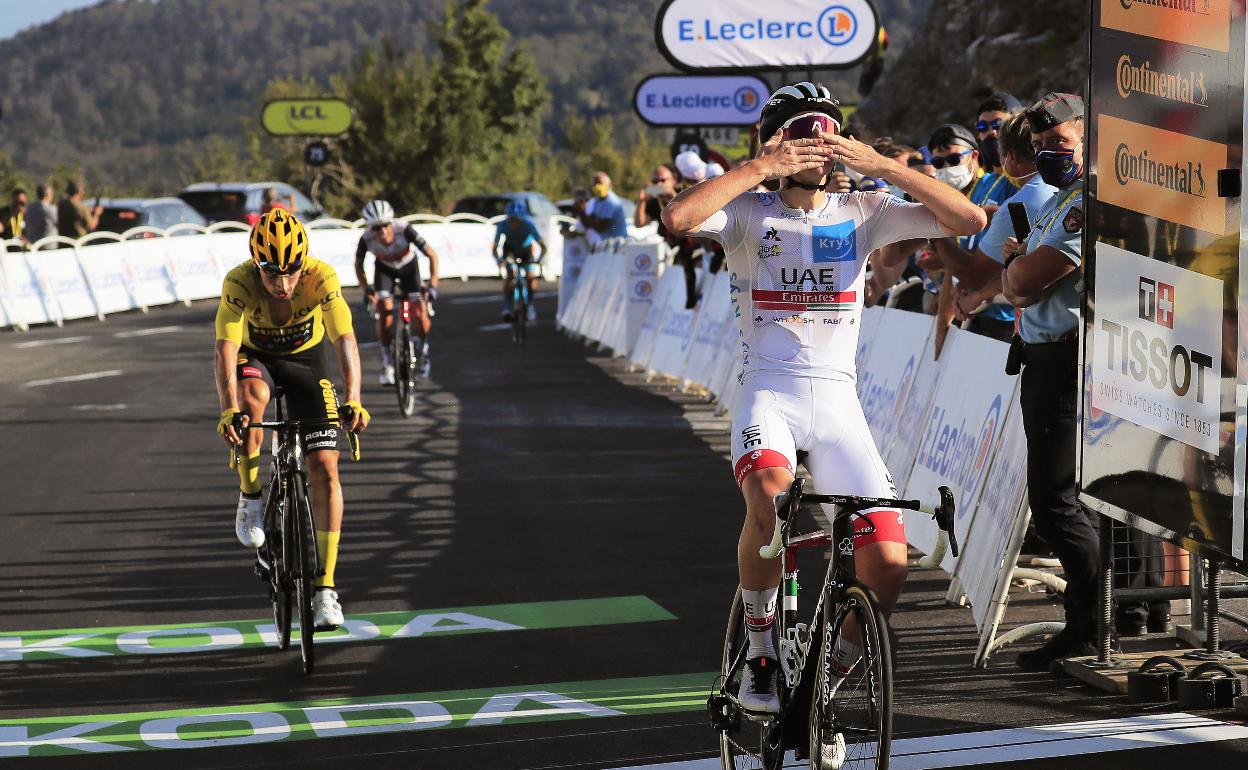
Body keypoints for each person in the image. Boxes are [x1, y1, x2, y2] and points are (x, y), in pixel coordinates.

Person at [662, 81, 985, 720]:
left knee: (889, 561)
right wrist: (761, 165)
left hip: (839, 406)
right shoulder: (747, 211)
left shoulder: (865, 209)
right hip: (768, 395)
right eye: (802, 134)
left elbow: (969, 221)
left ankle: (831, 671)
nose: (817, 145)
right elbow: (677, 220)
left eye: (827, 132)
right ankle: (760, 653)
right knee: (770, 500)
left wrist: (882, 164)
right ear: (777, 141)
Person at [214, 209, 370, 630]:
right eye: (271, 274)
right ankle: (250, 496)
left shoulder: (321, 277)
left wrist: (354, 398)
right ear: (256, 265)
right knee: (252, 398)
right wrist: (228, 408)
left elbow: (345, 338)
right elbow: (226, 348)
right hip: (256, 358)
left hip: (306, 361)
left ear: (304, 262)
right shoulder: (239, 281)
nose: (282, 284)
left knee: (326, 469)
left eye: (291, 272)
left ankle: (325, 590)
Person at [1000, 92, 1099, 671]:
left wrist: (1015, 269)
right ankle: (1096, 618)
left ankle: (1089, 625)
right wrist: (1017, 270)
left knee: (1055, 502)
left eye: (1059, 143)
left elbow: (1022, 282)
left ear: (1088, 141)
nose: (1046, 154)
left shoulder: (1083, 202)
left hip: (1064, 359)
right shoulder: (1059, 198)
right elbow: (1020, 278)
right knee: (1067, 499)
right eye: (1039, 145)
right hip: (1044, 355)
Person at [953, 112, 1057, 327]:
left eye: (1001, 155)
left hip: (1045, 325)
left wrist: (935, 234)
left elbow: (974, 275)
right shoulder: (1062, 183)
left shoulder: (1017, 206)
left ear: (1011, 157)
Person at [923, 124, 1017, 347]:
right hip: (970, 312)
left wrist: (934, 232)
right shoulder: (957, 197)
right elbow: (960, 264)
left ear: (974, 156)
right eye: (938, 163)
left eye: (953, 159)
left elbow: (1016, 249)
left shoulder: (1000, 184)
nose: (946, 167)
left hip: (1004, 316)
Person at [353, 200, 441, 384]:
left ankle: (423, 350)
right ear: (370, 228)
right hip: (384, 269)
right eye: (376, 228)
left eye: (386, 225)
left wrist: (433, 283)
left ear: (391, 223)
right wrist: (366, 289)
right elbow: (358, 265)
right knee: (384, 310)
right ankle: (387, 362)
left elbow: (432, 254)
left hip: (409, 267)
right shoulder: (366, 238)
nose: (382, 231)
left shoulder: (404, 228)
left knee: (419, 312)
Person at [493, 200, 547, 322]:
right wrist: (499, 260)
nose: (513, 223)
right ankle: (507, 308)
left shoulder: (529, 225)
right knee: (509, 276)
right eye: (511, 219)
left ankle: (530, 304)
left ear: (521, 219)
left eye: (516, 220)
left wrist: (538, 260)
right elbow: (494, 247)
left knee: (531, 278)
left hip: (526, 250)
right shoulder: (502, 225)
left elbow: (543, 247)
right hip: (510, 250)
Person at [580, 172, 629, 240]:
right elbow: (591, 220)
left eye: (600, 183)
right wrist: (582, 212)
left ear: (609, 185)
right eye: (595, 184)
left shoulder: (611, 202)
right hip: (605, 241)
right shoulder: (598, 200)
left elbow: (599, 227)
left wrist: (582, 212)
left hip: (616, 242)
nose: (597, 186)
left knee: (589, 233)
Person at [635, 164, 678, 232]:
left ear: (674, 181)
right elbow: (639, 223)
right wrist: (641, 201)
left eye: (663, 180)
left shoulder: (684, 193)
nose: (659, 184)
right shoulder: (655, 201)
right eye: (655, 181)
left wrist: (673, 196)